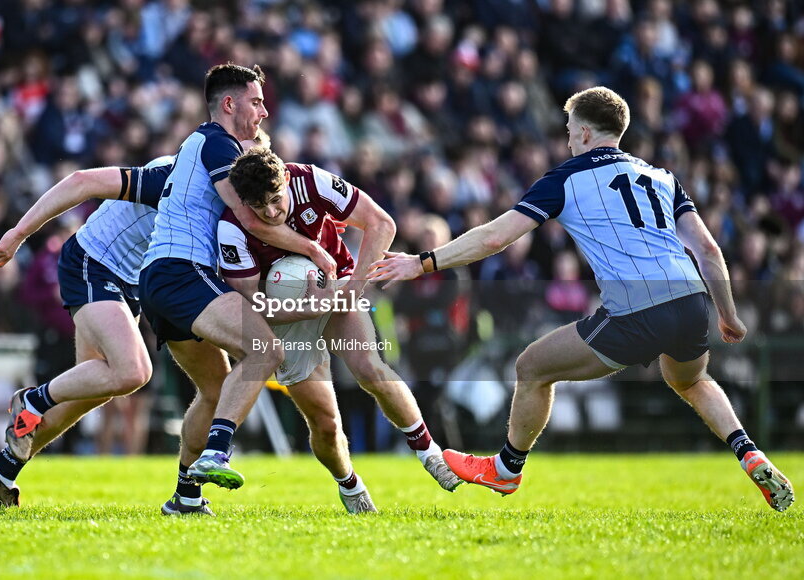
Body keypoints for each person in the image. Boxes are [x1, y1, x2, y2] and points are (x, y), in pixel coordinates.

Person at [369, 86, 795, 512]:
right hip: (691, 301)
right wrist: (728, 314)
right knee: (691, 380)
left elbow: (495, 236)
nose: (568, 138)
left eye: (571, 129)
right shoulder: (663, 178)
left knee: (531, 368)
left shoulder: (566, 177)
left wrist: (422, 262)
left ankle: (506, 470)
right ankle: (749, 452)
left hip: (636, 306)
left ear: (588, 133)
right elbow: (708, 251)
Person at [0, 155, 228, 515]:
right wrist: (18, 234)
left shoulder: (225, 195)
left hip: (132, 282)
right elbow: (81, 181)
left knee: (90, 389)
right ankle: (32, 400)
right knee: (133, 372)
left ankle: (3, 469)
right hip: (93, 262)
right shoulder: (175, 175)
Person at [216, 147, 462, 513]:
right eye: (258, 206)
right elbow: (255, 306)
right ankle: (349, 483)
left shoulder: (312, 181)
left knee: (370, 368)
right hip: (285, 315)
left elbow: (382, 224)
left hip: (337, 286)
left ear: (286, 180)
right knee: (326, 424)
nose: (269, 212)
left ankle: (430, 454)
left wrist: (353, 289)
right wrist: (315, 305)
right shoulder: (231, 227)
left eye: (274, 200)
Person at [138, 63, 337, 491]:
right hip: (182, 271)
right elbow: (252, 219)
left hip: (162, 276)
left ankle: (185, 496)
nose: (263, 112)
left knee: (214, 392)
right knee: (265, 351)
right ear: (229, 104)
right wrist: (313, 249)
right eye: (256, 101)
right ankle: (216, 452)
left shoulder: (203, 144)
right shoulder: (217, 144)